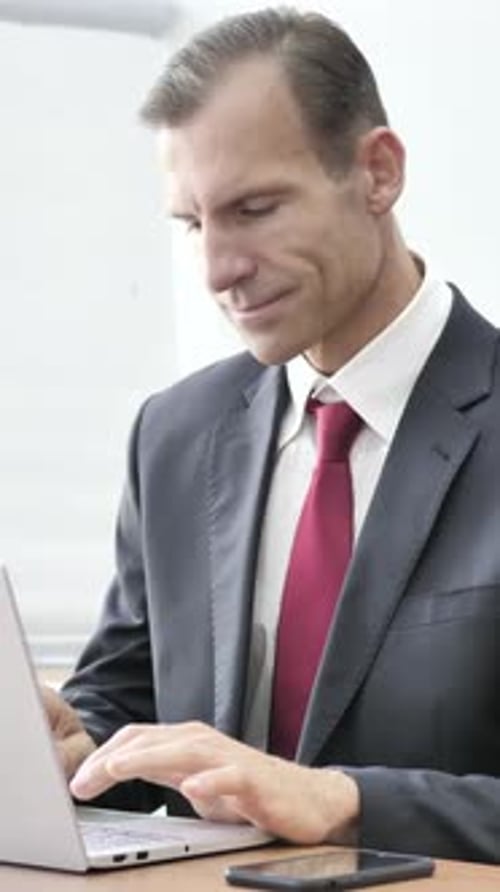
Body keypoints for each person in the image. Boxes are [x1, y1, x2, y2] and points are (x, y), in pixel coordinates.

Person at [43, 7, 500, 863]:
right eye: (191, 223)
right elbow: (131, 700)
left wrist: (346, 801)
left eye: (254, 209)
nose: (218, 269)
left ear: (377, 173)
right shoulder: (174, 435)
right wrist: (81, 752)